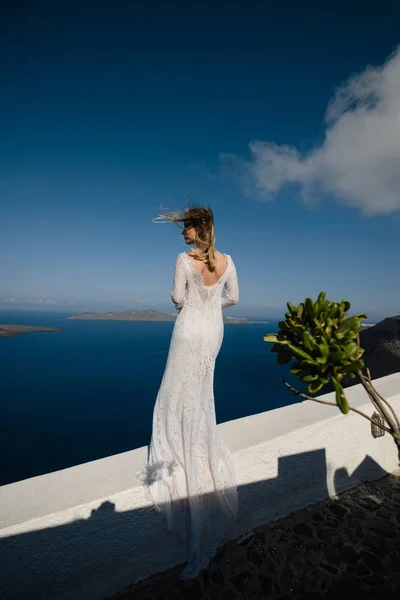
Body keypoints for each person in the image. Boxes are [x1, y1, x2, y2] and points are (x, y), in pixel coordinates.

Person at [135, 204, 239, 580]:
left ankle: (178, 452)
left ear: (200, 228)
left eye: (187, 228)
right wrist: (212, 302)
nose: (183, 234)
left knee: (173, 394)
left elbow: (178, 299)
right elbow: (235, 298)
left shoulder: (183, 260)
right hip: (213, 332)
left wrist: (194, 301)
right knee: (200, 395)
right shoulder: (227, 260)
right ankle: (199, 448)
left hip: (188, 330)